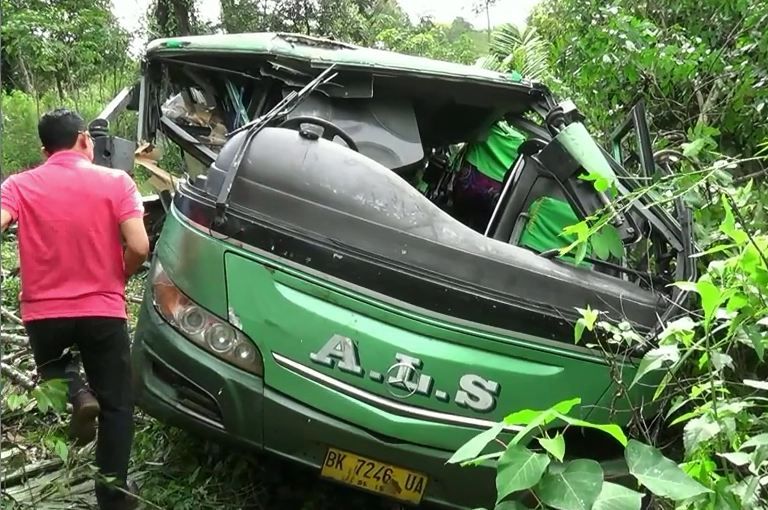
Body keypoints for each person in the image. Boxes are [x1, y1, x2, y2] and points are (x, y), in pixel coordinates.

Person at [0, 108, 150, 510]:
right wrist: (118, 277)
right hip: (103, 309)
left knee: (53, 368)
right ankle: (113, 498)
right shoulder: (117, 181)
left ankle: (77, 393)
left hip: (44, 313)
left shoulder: (19, 185)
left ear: (44, 150)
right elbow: (139, 246)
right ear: (85, 139)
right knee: (117, 404)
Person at [452, 120, 526, 232]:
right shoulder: (521, 144)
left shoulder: (488, 126)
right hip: (496, 189)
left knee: (458, 216)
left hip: (470, 180)